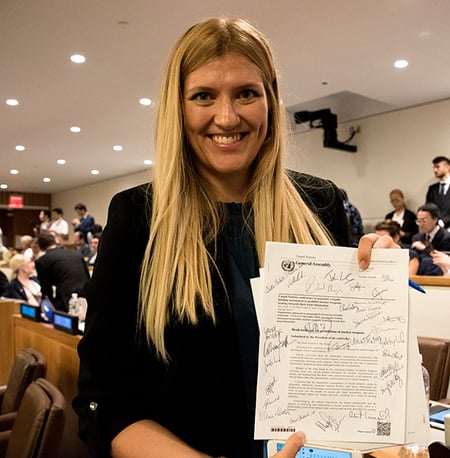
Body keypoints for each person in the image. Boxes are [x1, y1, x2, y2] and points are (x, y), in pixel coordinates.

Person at [72, 17, 396, 458]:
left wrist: (380, 290)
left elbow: (350, 371)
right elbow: (103, 400)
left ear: (270, 100)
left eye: (246, 93)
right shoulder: (137, 217)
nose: (227, 117)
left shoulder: (321, 203)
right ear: (178, 107)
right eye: (203, 96)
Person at [35, 232, 90, 311]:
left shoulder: (43, 261)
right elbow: (86, 275)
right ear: (55, 242)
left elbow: (46, 289)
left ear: (40, 247)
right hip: (86, 296)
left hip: (66, 299)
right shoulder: (76, 253)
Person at [409, 203, 450, 275]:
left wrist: (424, 248)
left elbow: (443, 259)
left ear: (435, 219)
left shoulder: (446, 238)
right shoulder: (417, 237)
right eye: (418, 221)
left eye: (424, 221)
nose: (420, 225)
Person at [425, 156, 450, 228]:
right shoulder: (432, 188)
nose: (435, 170)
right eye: (434, 167)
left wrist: (443, 222)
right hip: (435, 229)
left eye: (438, 167)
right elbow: (428, 208)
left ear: (448, 167)